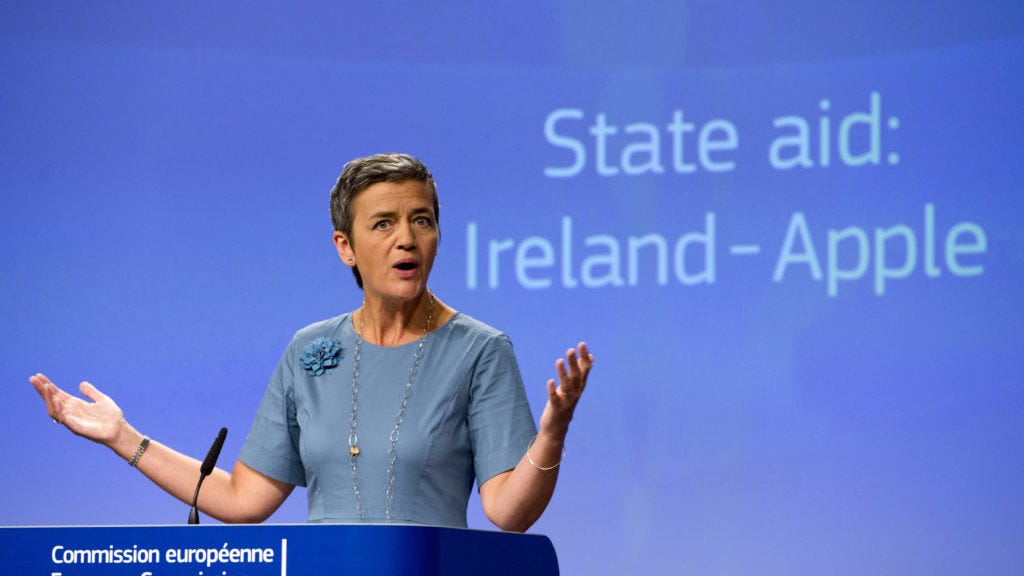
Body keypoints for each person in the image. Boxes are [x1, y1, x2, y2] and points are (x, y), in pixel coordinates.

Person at [30, 152, 592, 532]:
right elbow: (244, 499)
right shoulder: (309, 349)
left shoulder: (480, 351)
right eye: (384, 223)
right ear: (345, 247)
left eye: (421, 220)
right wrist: (124, 438)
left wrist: (551, 434)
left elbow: (509, 513)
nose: (406, 238)